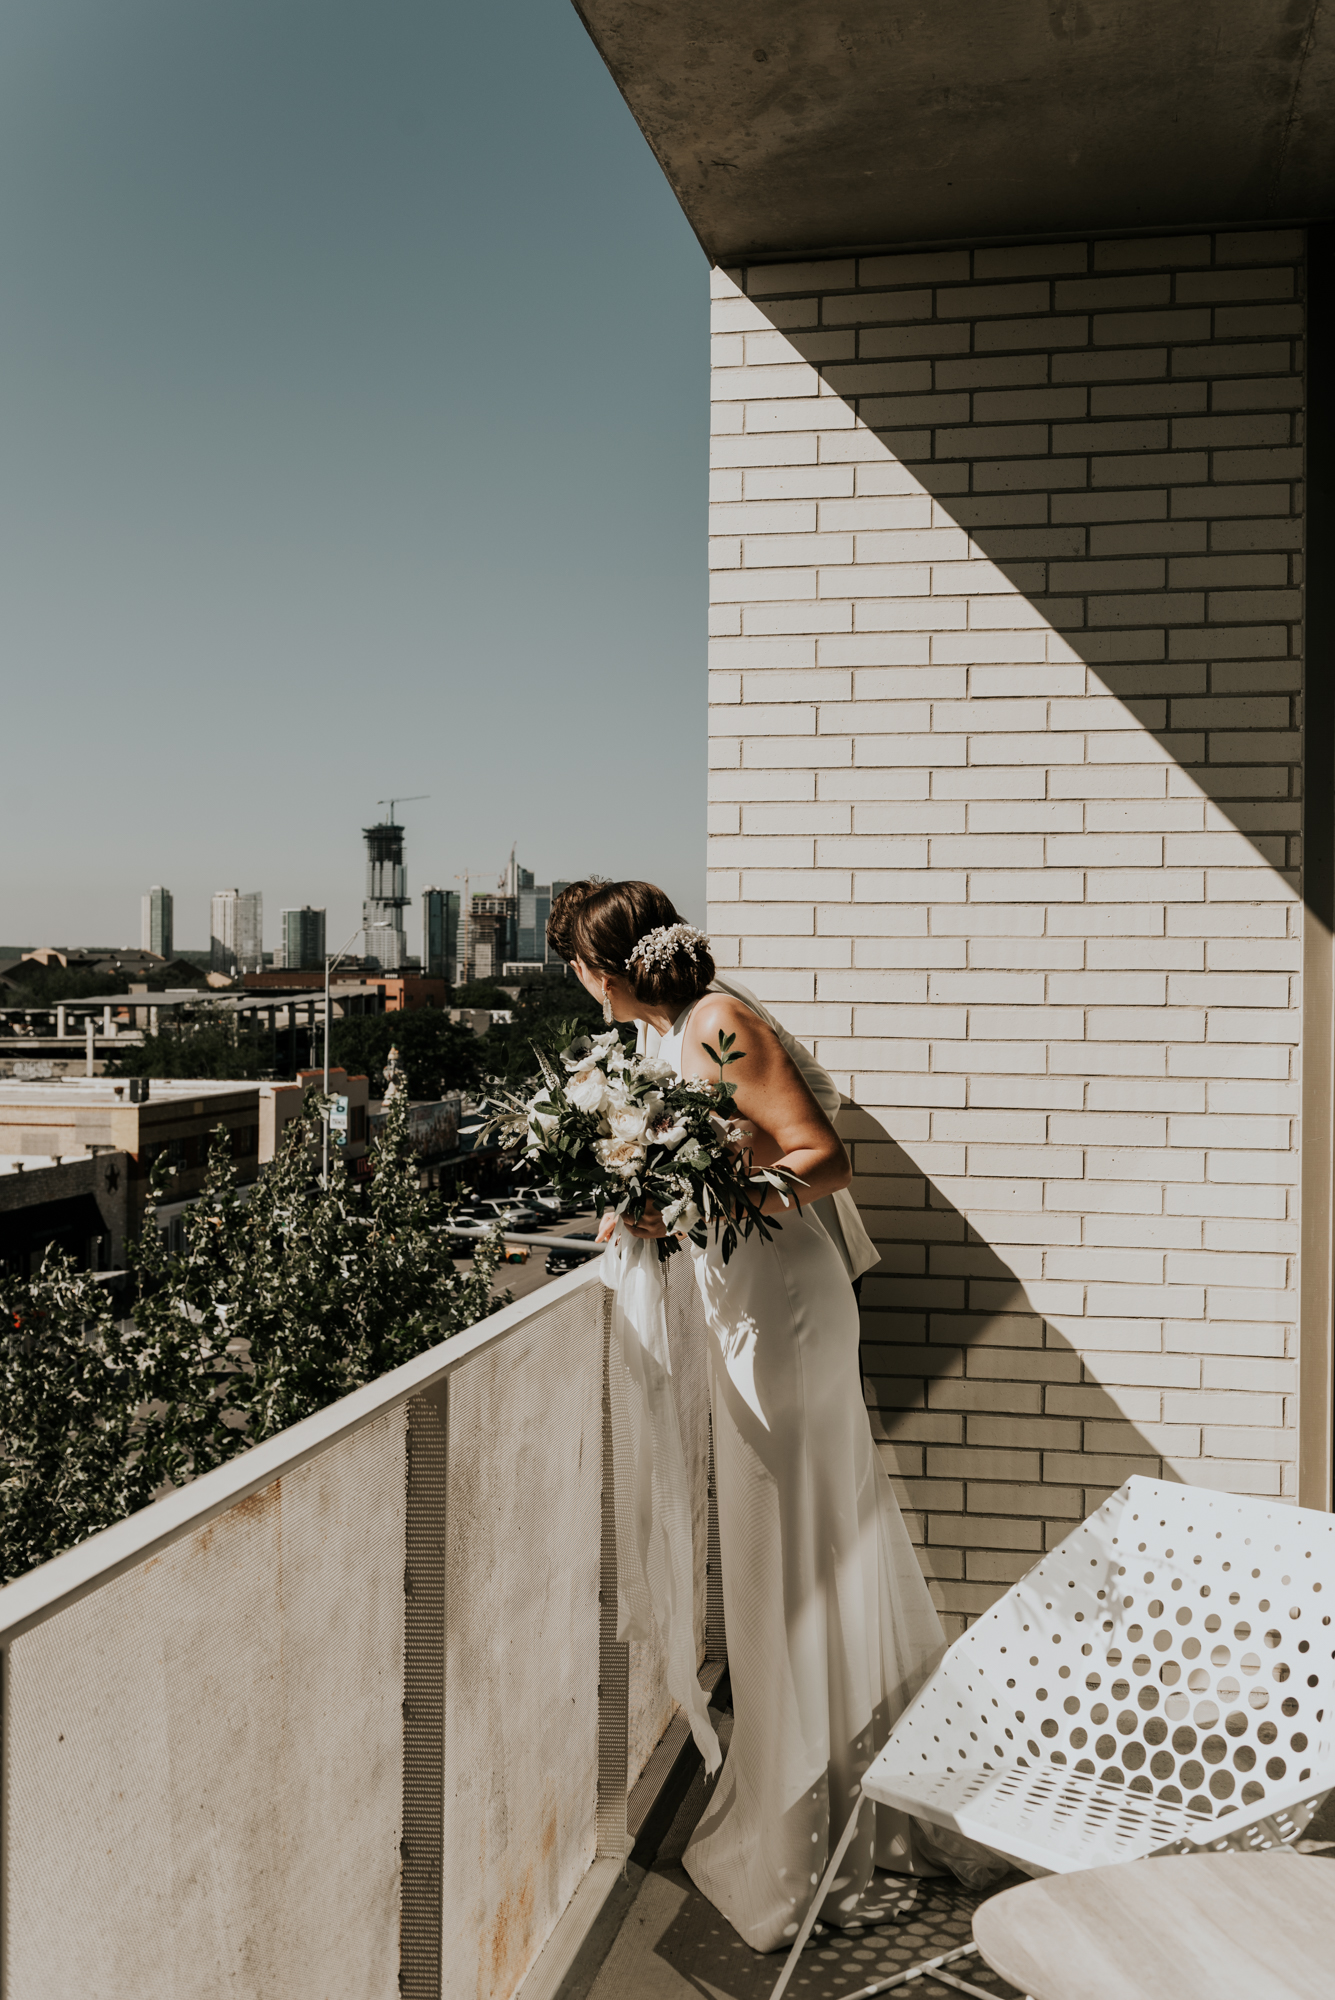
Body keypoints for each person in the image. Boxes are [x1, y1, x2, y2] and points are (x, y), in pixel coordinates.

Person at [547, 880, 997, 1954]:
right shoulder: (665, 1043)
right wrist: (656, 1200)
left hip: (787, 1311)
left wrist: (709, 1199)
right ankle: (835, 1793)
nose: (573, 981)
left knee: (793, 1548)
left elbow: (823, 1154)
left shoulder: (719, 1023)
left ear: (600, 968)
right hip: (747, 1299)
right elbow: (724, 1157)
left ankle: (813, 1818)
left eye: (572, 963)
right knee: (784, 1546)